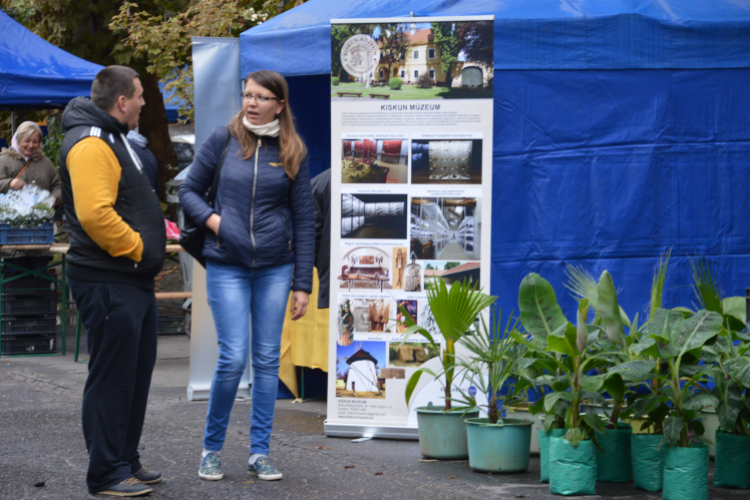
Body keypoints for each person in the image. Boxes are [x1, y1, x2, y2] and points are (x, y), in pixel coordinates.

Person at [179, 70, 314, 482]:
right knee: (234, 357)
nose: (251, 103)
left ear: (279, 104)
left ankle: (259, 452)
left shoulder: (293, 150)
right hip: (227, 264)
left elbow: (305, 219)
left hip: (276, 267)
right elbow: (187, 192)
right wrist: (217, 222)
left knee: (268, 360)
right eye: (247, 95)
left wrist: (302, 283)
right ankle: (212, 449)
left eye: (260, 97)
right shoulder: (223, 139)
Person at [59, 65, 166, 497]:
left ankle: (125, 461)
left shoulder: (113, 136)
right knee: (112, 378)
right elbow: (95, 214)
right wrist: (141, 249)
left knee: (134, 376)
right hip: (108, 280)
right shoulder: (91, 143)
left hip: (129, 281)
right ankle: (106, 473)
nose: (143, 102)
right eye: (139, 95)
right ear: (122, 101)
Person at [0, 121, 63, 271]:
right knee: (15, 279)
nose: (31, 145)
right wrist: (9, 183)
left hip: (40, 234)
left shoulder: (45, 163)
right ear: (17, 140)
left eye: (35, 141)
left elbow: (58, 186)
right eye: (27, 141)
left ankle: (41, 294)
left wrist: (53, 199)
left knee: (40, 278)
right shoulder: (4, 161)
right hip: (11, 236)